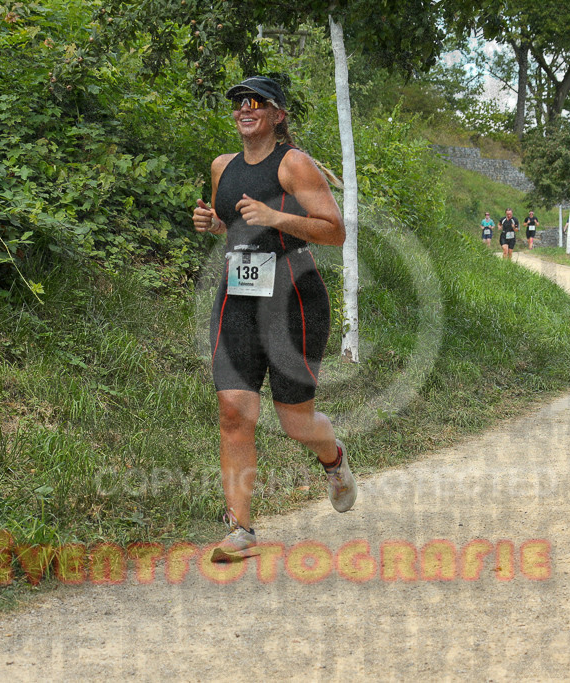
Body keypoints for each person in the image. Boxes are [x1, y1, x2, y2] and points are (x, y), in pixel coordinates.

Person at [191, 76, 356, 562]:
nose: (246, 110)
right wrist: (215, 224)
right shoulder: (223, 166)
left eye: (257, 103)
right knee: (234, 412)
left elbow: (334, 231)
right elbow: (238, 224)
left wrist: (277, 217)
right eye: (240, 103)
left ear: (278, 114)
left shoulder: (295, 165)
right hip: (238, 297)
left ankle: (334, 456)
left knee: (294, 422)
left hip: (293, 299)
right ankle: (240, 529)